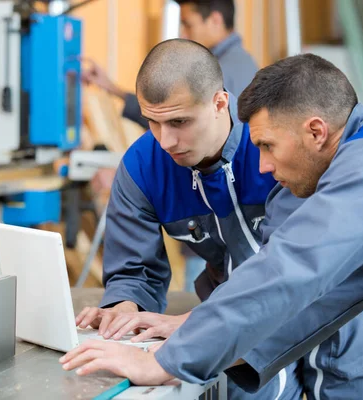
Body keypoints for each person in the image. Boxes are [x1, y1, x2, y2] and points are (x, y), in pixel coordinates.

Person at [61, 52, 363, 394]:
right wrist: (193, 330)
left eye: (267, 146)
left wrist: (164, 363)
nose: (263, 165)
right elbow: (330, 291)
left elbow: (293, 267)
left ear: (316, 131)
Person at [86, 0, 260, 293]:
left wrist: (194, 324)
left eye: (179, 122)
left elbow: (289, 281)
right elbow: (131, 275)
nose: (165, 142)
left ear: (221, 103)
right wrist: (124, 305)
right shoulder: (140, 166)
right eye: (153, 122)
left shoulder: (269, 156)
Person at [82, 0, 258, 130]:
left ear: (215, 20)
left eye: (188, 25)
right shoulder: (243, 62)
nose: (183, 33)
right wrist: (112, 88)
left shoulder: (219, 72)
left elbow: (174, 123)